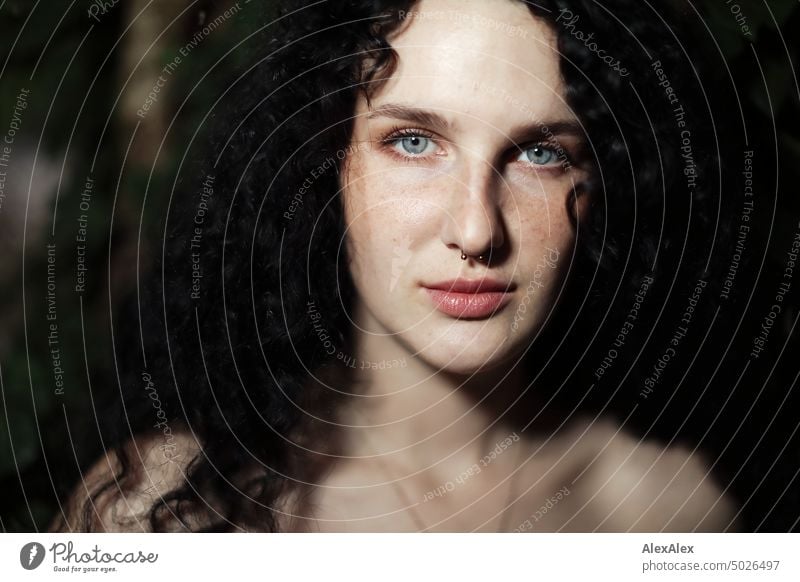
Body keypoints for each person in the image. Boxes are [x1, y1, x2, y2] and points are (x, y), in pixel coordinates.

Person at [54, 0, 739, 532]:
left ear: (605, 186)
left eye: (540, 153)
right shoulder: (170, 506)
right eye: (413, 142)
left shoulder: (666, 510)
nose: (475, 229)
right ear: (325, 161)